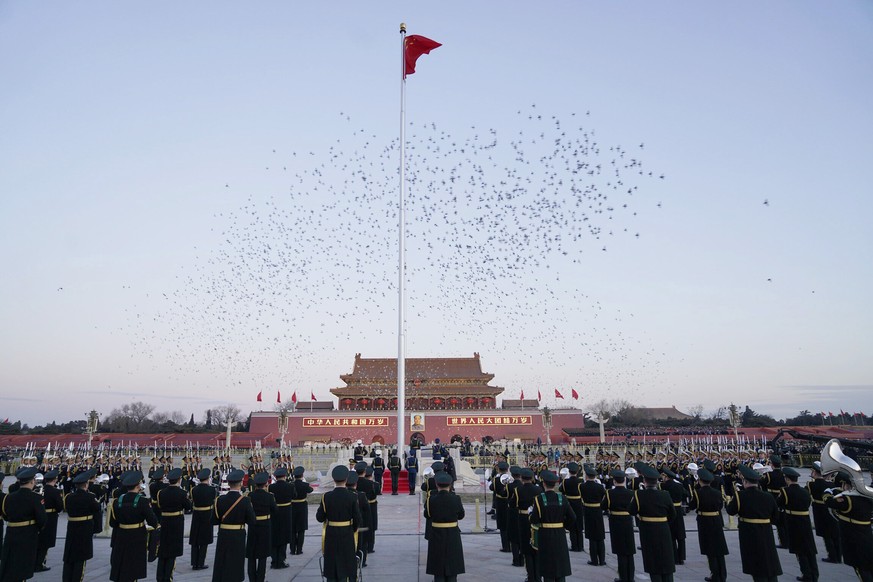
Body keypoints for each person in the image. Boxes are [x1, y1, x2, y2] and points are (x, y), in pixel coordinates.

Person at [726, 464, 782, 582]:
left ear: (745, 482)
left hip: (749, 531)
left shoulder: (741, 495)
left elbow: (731, 511)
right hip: (766, 531)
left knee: (756, 563)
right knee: (769, 559)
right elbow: (776, 517)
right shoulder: (768, 496)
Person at [629, 463, 676, 582]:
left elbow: (632, 510)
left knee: (653, 561)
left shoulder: (639, 494)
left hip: (648, 530)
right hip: (664, 528)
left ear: (644, 481)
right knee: (666, 560)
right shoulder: (665, 494)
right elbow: (672, 514)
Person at [109, 470, 159, 582]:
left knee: (122, 563)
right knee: (133, 566)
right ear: (138, 486)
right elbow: (152, 521)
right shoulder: (142, 501)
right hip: (137, 536)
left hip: (121, 535)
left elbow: (112, 523)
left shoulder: (117, 501)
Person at [0, 467, 48, 582]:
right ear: (32, 482)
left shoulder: (8, 497)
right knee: (22, 566)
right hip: (27, 535)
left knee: (10, 564)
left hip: (11, 534)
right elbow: (42, 519)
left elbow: (5, 515)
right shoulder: (36, 498)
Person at [824, 470, 873, 582]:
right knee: (869, 566)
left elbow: (830, 502)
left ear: (847, 485)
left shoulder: (848, 500)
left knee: (860, 569)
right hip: (867, 535)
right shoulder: (867, 498)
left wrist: (827, 493)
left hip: (854, 539)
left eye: (843, 485)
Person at [316, 465, 361, 582]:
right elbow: (357, 519)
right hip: (347, 533)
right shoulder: (352, 496)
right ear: (346, 480)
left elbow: (319, 517)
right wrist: (353, 529)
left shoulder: (326, 497)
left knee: (332, 563)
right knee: (346, 564)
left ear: (334, 479)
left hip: (331, 534)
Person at [212, 469, 257, 582]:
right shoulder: (245, 501)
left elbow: (213, 520)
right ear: (241, 483)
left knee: (222, 561)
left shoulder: (219, 500)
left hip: (223, 534)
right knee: (236, 562)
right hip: (238, 535)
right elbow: (252, 521)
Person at [530, 470, 575, 582]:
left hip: (545, 534)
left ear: (543, 483)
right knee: (560, 565)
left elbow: (534, 519)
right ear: (555, 484)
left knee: (547, 566)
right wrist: (565, 526)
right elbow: (573, 517)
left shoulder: (539, 499)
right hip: (559, 533)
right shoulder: (562, 498)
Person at [778, 466, 818, 581]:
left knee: (800, 550)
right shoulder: (805, 491)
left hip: (793, 521)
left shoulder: (785, 491)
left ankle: (807, 574)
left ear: (787, 479)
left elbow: (779, 503)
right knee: (809, 549)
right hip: (805, 521)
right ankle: (814, 573)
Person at [424, 471, 466, 582]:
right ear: (450, 485)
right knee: (452, 562)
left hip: (437, 532)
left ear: (437, 484)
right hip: (453, 532)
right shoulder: (456, 498)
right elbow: (461, 515)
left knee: (438, 565)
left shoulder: (431, 499)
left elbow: (427, 515)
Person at [688, 467, 728, 582]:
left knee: (710, 549)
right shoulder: (717, 492)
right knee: (719, 549)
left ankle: (714, 574)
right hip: (716, 519)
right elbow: (720, 506)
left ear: (700, 480)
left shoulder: (698, 492)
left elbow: (692, 506)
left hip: (704, 521)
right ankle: (722, 574)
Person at [61, 470, 102, 582]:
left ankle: (66, 578)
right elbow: (97, 508)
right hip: (84, 528)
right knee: (81, 557)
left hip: (72, 528)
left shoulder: (69, 497)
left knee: (69, 556)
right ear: (86, 484)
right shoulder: (89, 497)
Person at [155, 467, 192, 582]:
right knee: (172, 552)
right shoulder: (182, 493)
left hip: (164, 521)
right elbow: (188, 507)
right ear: (179, 480)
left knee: (163, 550)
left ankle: (160, 577)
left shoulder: (161, 493)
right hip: (176, 522)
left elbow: (160, 506)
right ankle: (168, 577)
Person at [603, 469, 636, 582]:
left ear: (614, 481)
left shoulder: (609, 493)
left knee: (621, 551)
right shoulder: (631, 493)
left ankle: (623, 577)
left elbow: (603, 506)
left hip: (616, 522)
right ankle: (630, 577)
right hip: (627, 521)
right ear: (625, 480)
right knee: (629, 551)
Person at [807, 461, 841, 563]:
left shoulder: (811, 484)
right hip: (831, 509)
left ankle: (832, 555)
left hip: (819, 510)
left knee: (826, 534)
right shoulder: (831, 484)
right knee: (834, 533)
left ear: (814, 472)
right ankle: (839, 555)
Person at [247, 472, 277, 582]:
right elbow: (275, 510)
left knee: (251, 554)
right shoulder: (269, 496)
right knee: (262, 555)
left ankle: (252, 578)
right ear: (265, 484)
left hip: (253, 526)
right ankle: (260, 578)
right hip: (265, 526)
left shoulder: (250, 496)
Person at [513, 467, 542, 582]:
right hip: (535, 520)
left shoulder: (518, 490)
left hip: (523, 519)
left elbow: (513, 504)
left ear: (521, 478)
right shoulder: (538, 490)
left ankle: (531, 576)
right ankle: (538, 576)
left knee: (526, 548)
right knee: (536, 547)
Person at [34, 468, 64, 572]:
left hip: (39, 515)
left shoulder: (38, 490)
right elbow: (60, 506)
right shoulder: (55, 491)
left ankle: (36, 561)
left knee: (39, 539)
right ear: (55, 480)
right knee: (46, 542)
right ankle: (40, 563)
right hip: (50, 517)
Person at [190, 468, 217, 570]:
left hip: (196, 514)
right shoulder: (211, 489)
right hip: (207, 514)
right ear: (208, 478)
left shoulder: (194, 490)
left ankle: (194, 562)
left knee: (195, 539)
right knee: (204, 540)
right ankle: (201, 562)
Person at [660, 467, 688, 565]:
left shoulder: (663, 486)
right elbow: (687, 494)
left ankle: (674, 557)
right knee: (680, 535)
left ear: (667, 477)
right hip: (679, 510)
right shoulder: (679, 485)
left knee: (671, 535)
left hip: (669, 510)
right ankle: (681, 557)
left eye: (663, 476)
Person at [580, 464, 607, 566]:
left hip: (588, 510)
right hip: (598, 510)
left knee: (592, 536)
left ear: (586, 476)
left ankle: (594, 560)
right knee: (600, 536)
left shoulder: (582, 486)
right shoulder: (600, 487)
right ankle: (602, 559)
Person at [269, 466, 294, 569]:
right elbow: (294, 495)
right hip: (286, 513)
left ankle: (274, 560)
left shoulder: (271, 487)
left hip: (274, 513)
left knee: (274, 536)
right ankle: (282, 560)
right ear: (284, 476)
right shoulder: (290, 486)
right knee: (284, 537)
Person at [559, 461, 584, 552]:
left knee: (572, 525)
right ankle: (580, 546)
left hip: (569, 502)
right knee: (579, 525)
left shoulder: (566, 481)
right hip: (578, 502)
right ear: (577, 472)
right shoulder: (580, 481)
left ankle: (574, 546)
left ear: (569, 471)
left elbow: (561, 490)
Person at [291, 465, 313, 555]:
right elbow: (310, 490)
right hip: (302, 507)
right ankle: (299, 549)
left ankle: (292, 549)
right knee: (301, 529)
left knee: (293, 529)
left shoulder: (291, 485)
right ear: (302, 475)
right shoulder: (305, 485)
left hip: (292, 506)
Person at [489, 461, 511, 552]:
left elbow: (491, 488)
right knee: (509, 523)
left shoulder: (496, 479)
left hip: (500, 502)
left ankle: (505, 546)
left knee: (502, 524)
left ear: (499, 469)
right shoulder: (510, 479)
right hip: (508, 501)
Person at [506, 465, 524, 567]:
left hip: (513, 513)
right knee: (522, 537)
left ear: (512, 475)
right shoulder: (522, 486)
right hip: (522, 514)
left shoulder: (509, 486)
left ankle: (516, 560)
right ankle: (522, 559)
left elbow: (506, 496)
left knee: (514, 538)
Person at [363, 466, 379, 553]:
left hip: (362, 506)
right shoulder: (375, 484)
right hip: (372, 505)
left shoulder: (359, 483)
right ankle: (370, 546)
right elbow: (378, 492)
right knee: (372, 526)